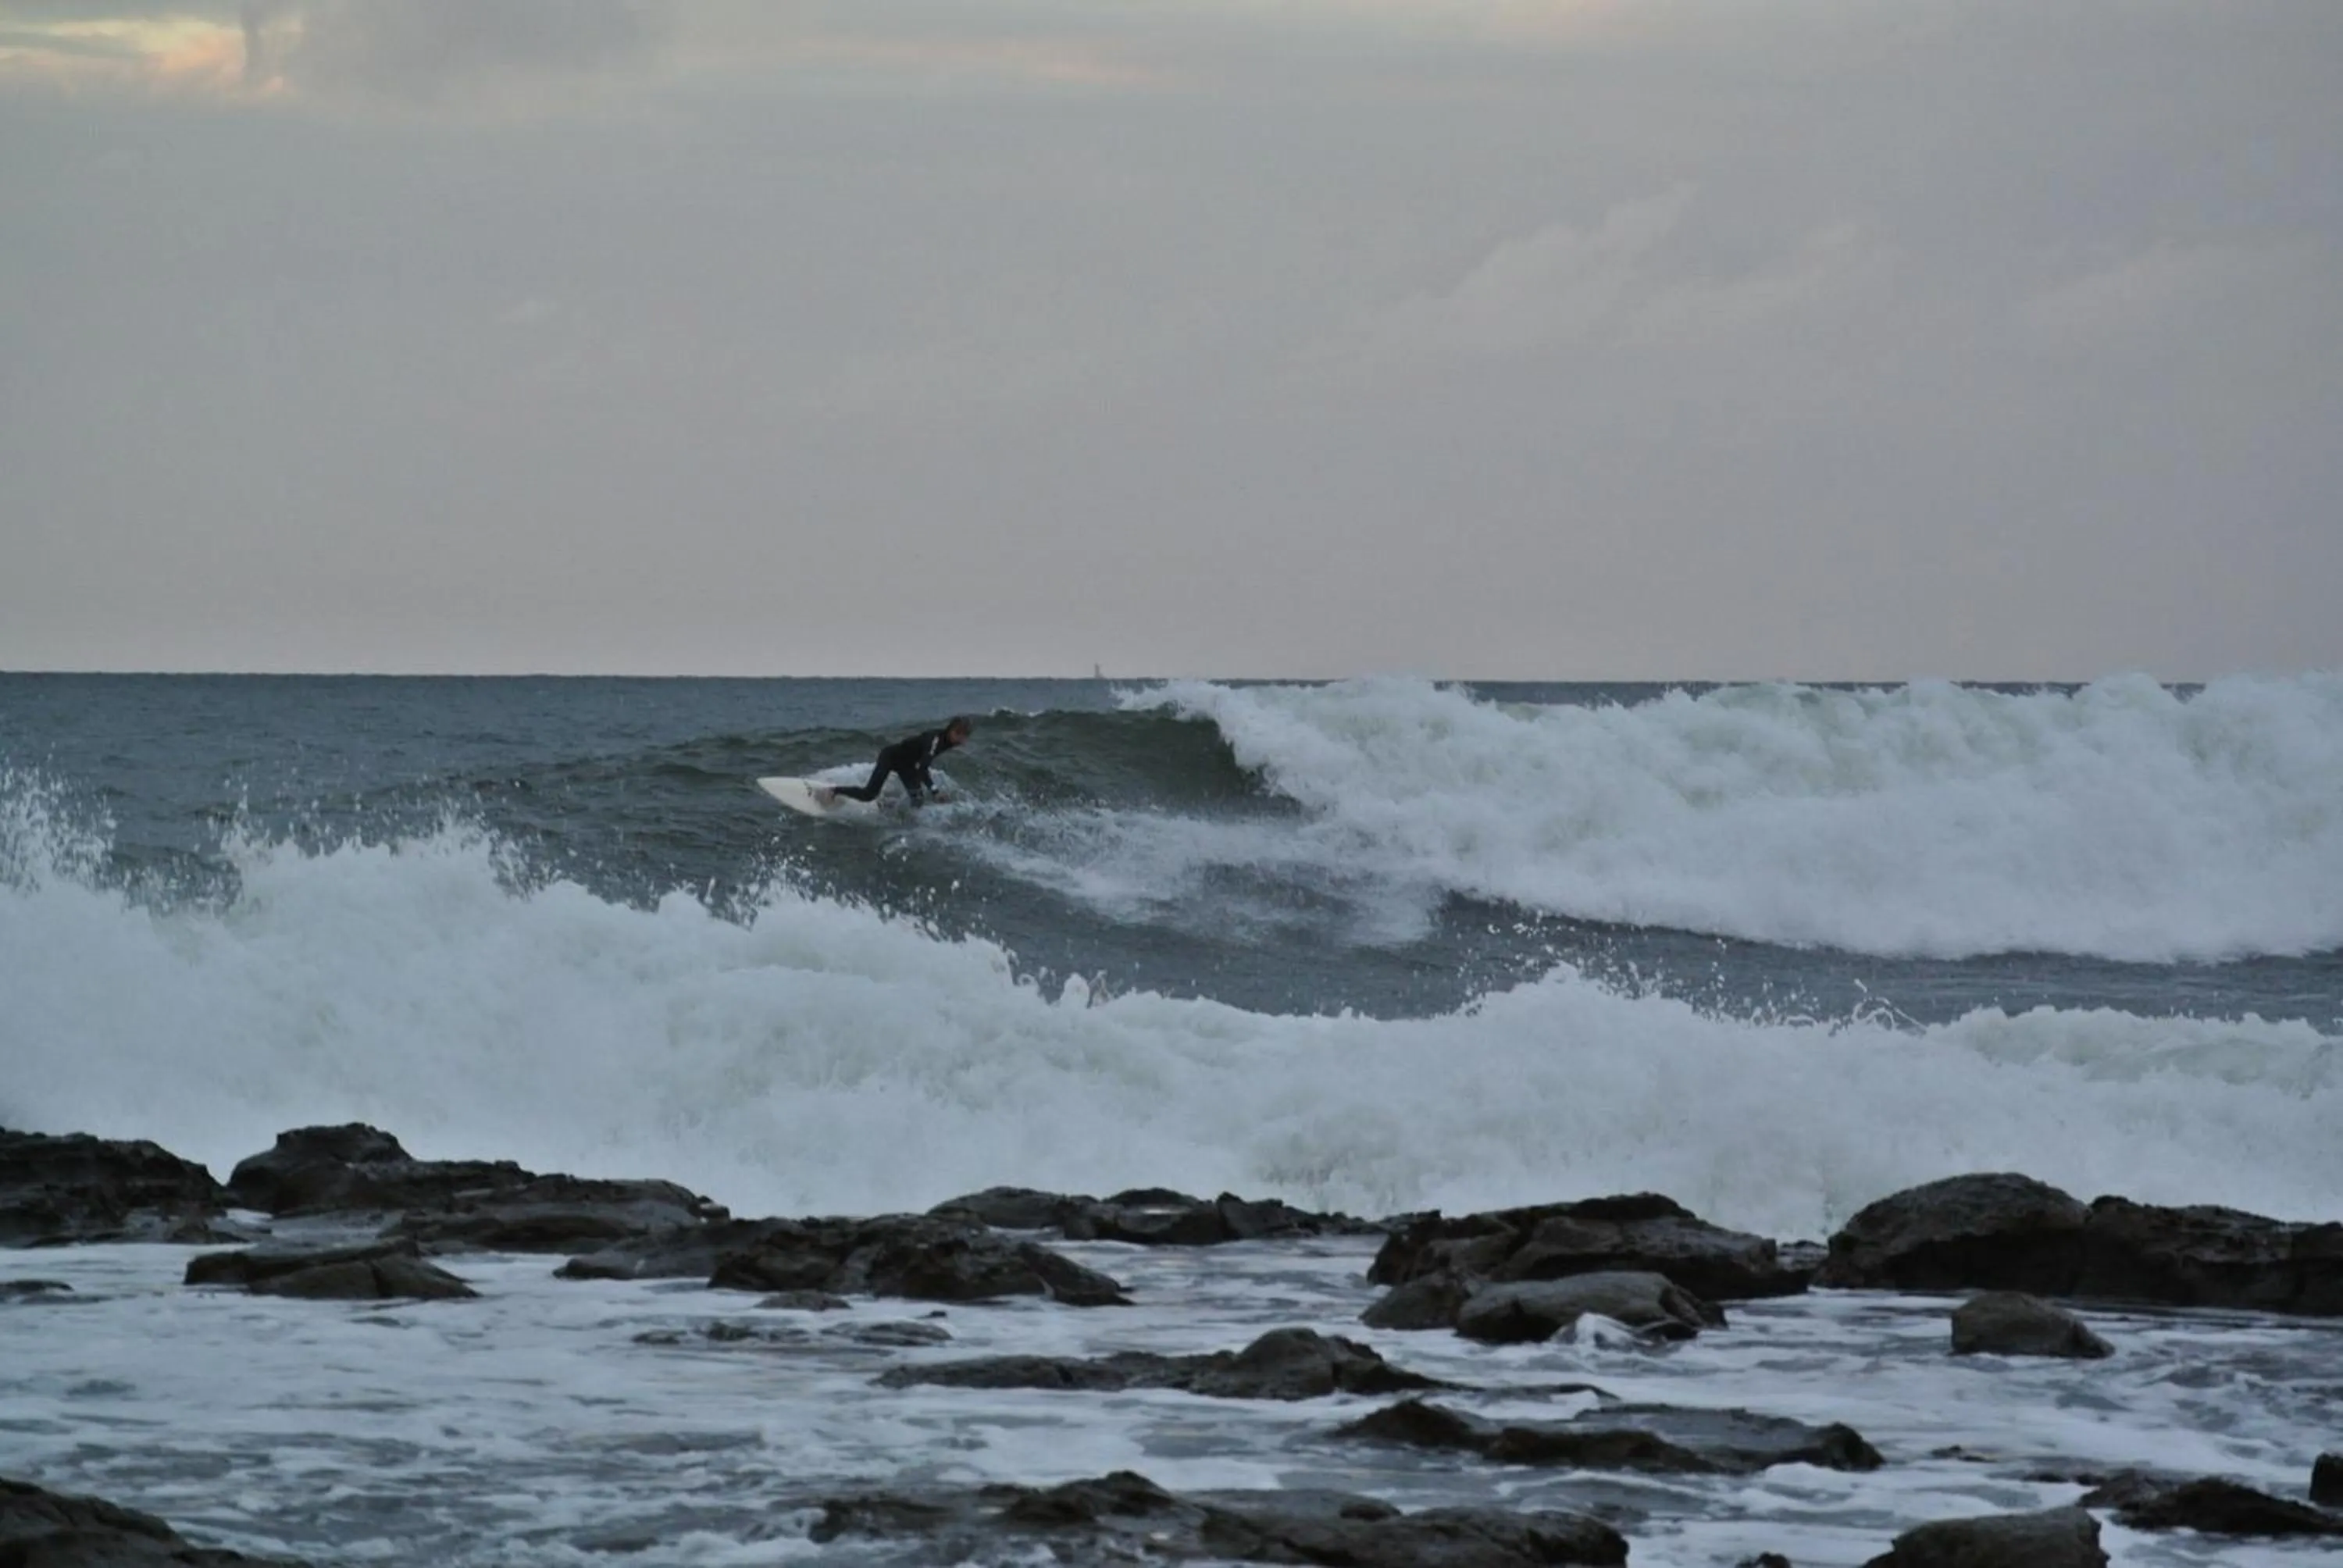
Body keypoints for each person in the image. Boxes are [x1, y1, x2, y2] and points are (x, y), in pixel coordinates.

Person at [827, 716, 972, 807]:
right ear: (951, 731)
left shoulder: (948, 741)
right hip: (890, 757)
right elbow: (923, 768)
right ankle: (834, 791)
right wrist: (935, 791)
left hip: (907, 765)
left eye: (965, 736)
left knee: (918, 800)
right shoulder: (934, 740)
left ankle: (892, 811)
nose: (962, 740)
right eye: (960, 735)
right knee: (869, 795)